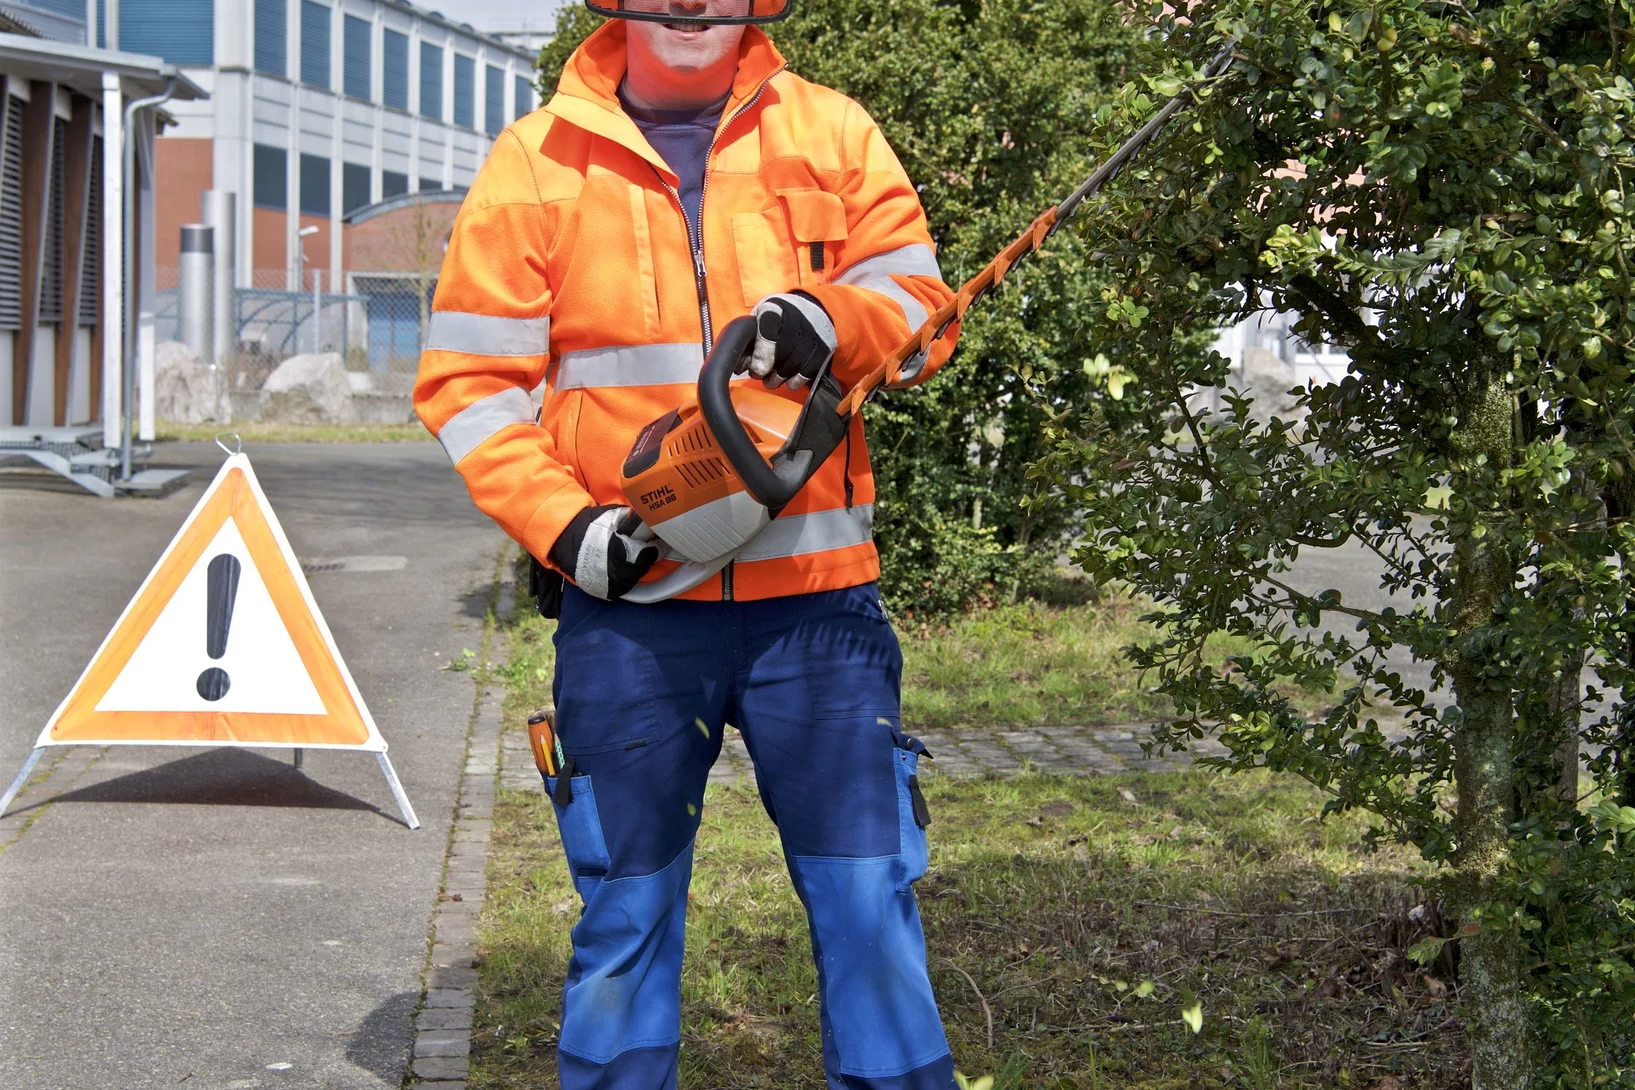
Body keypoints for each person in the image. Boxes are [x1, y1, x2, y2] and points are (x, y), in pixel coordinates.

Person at [415, 2, 962, 1087]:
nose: (693, 6)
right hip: (630, 616)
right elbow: (470, 386)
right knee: (627, 908)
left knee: (868, 903)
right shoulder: (535, 166)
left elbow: (922, 310)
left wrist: (838, 320)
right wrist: (569, 531)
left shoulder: (833, 133)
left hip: (817, 605)